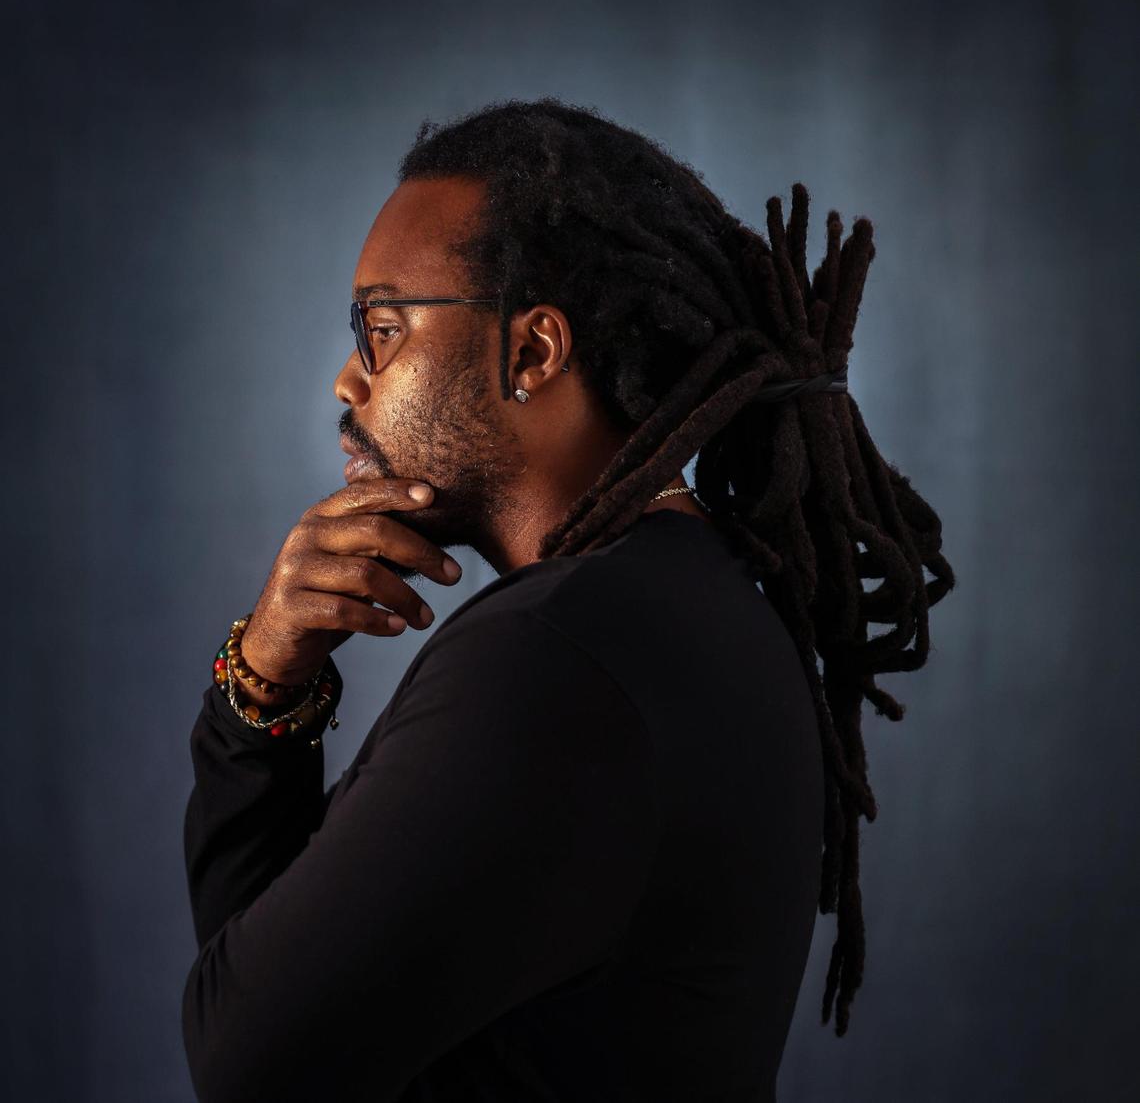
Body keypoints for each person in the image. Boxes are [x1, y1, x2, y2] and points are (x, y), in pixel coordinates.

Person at [181, 97, 956, 1102]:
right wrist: (270, 687)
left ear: (532, 352)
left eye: (380, 330)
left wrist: (252, 700)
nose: (347, 381)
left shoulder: (552, 661)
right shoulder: (694, 597)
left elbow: (247, 1063)